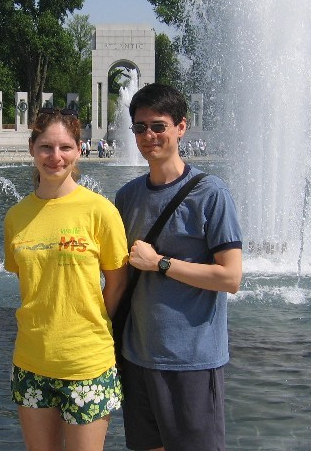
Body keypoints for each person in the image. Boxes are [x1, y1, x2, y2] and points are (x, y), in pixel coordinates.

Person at [115, 83, 243, 451]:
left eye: (158, 126)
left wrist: (162, 264)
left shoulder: (210, 193)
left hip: (191, 361)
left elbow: (231, 277)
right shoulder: (127, 196)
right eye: (140, 128)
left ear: (181, 127)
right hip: (137, 357)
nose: (148, 136)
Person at [4, 107, 128, 451]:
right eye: (46, 147)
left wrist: (90, 320)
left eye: (65, 148)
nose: (55, 157)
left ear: (79, 149)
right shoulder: (16, 216)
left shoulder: (100, 210)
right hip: (31, 359)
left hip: (87, 361)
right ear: (32, 148)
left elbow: (117, 281)